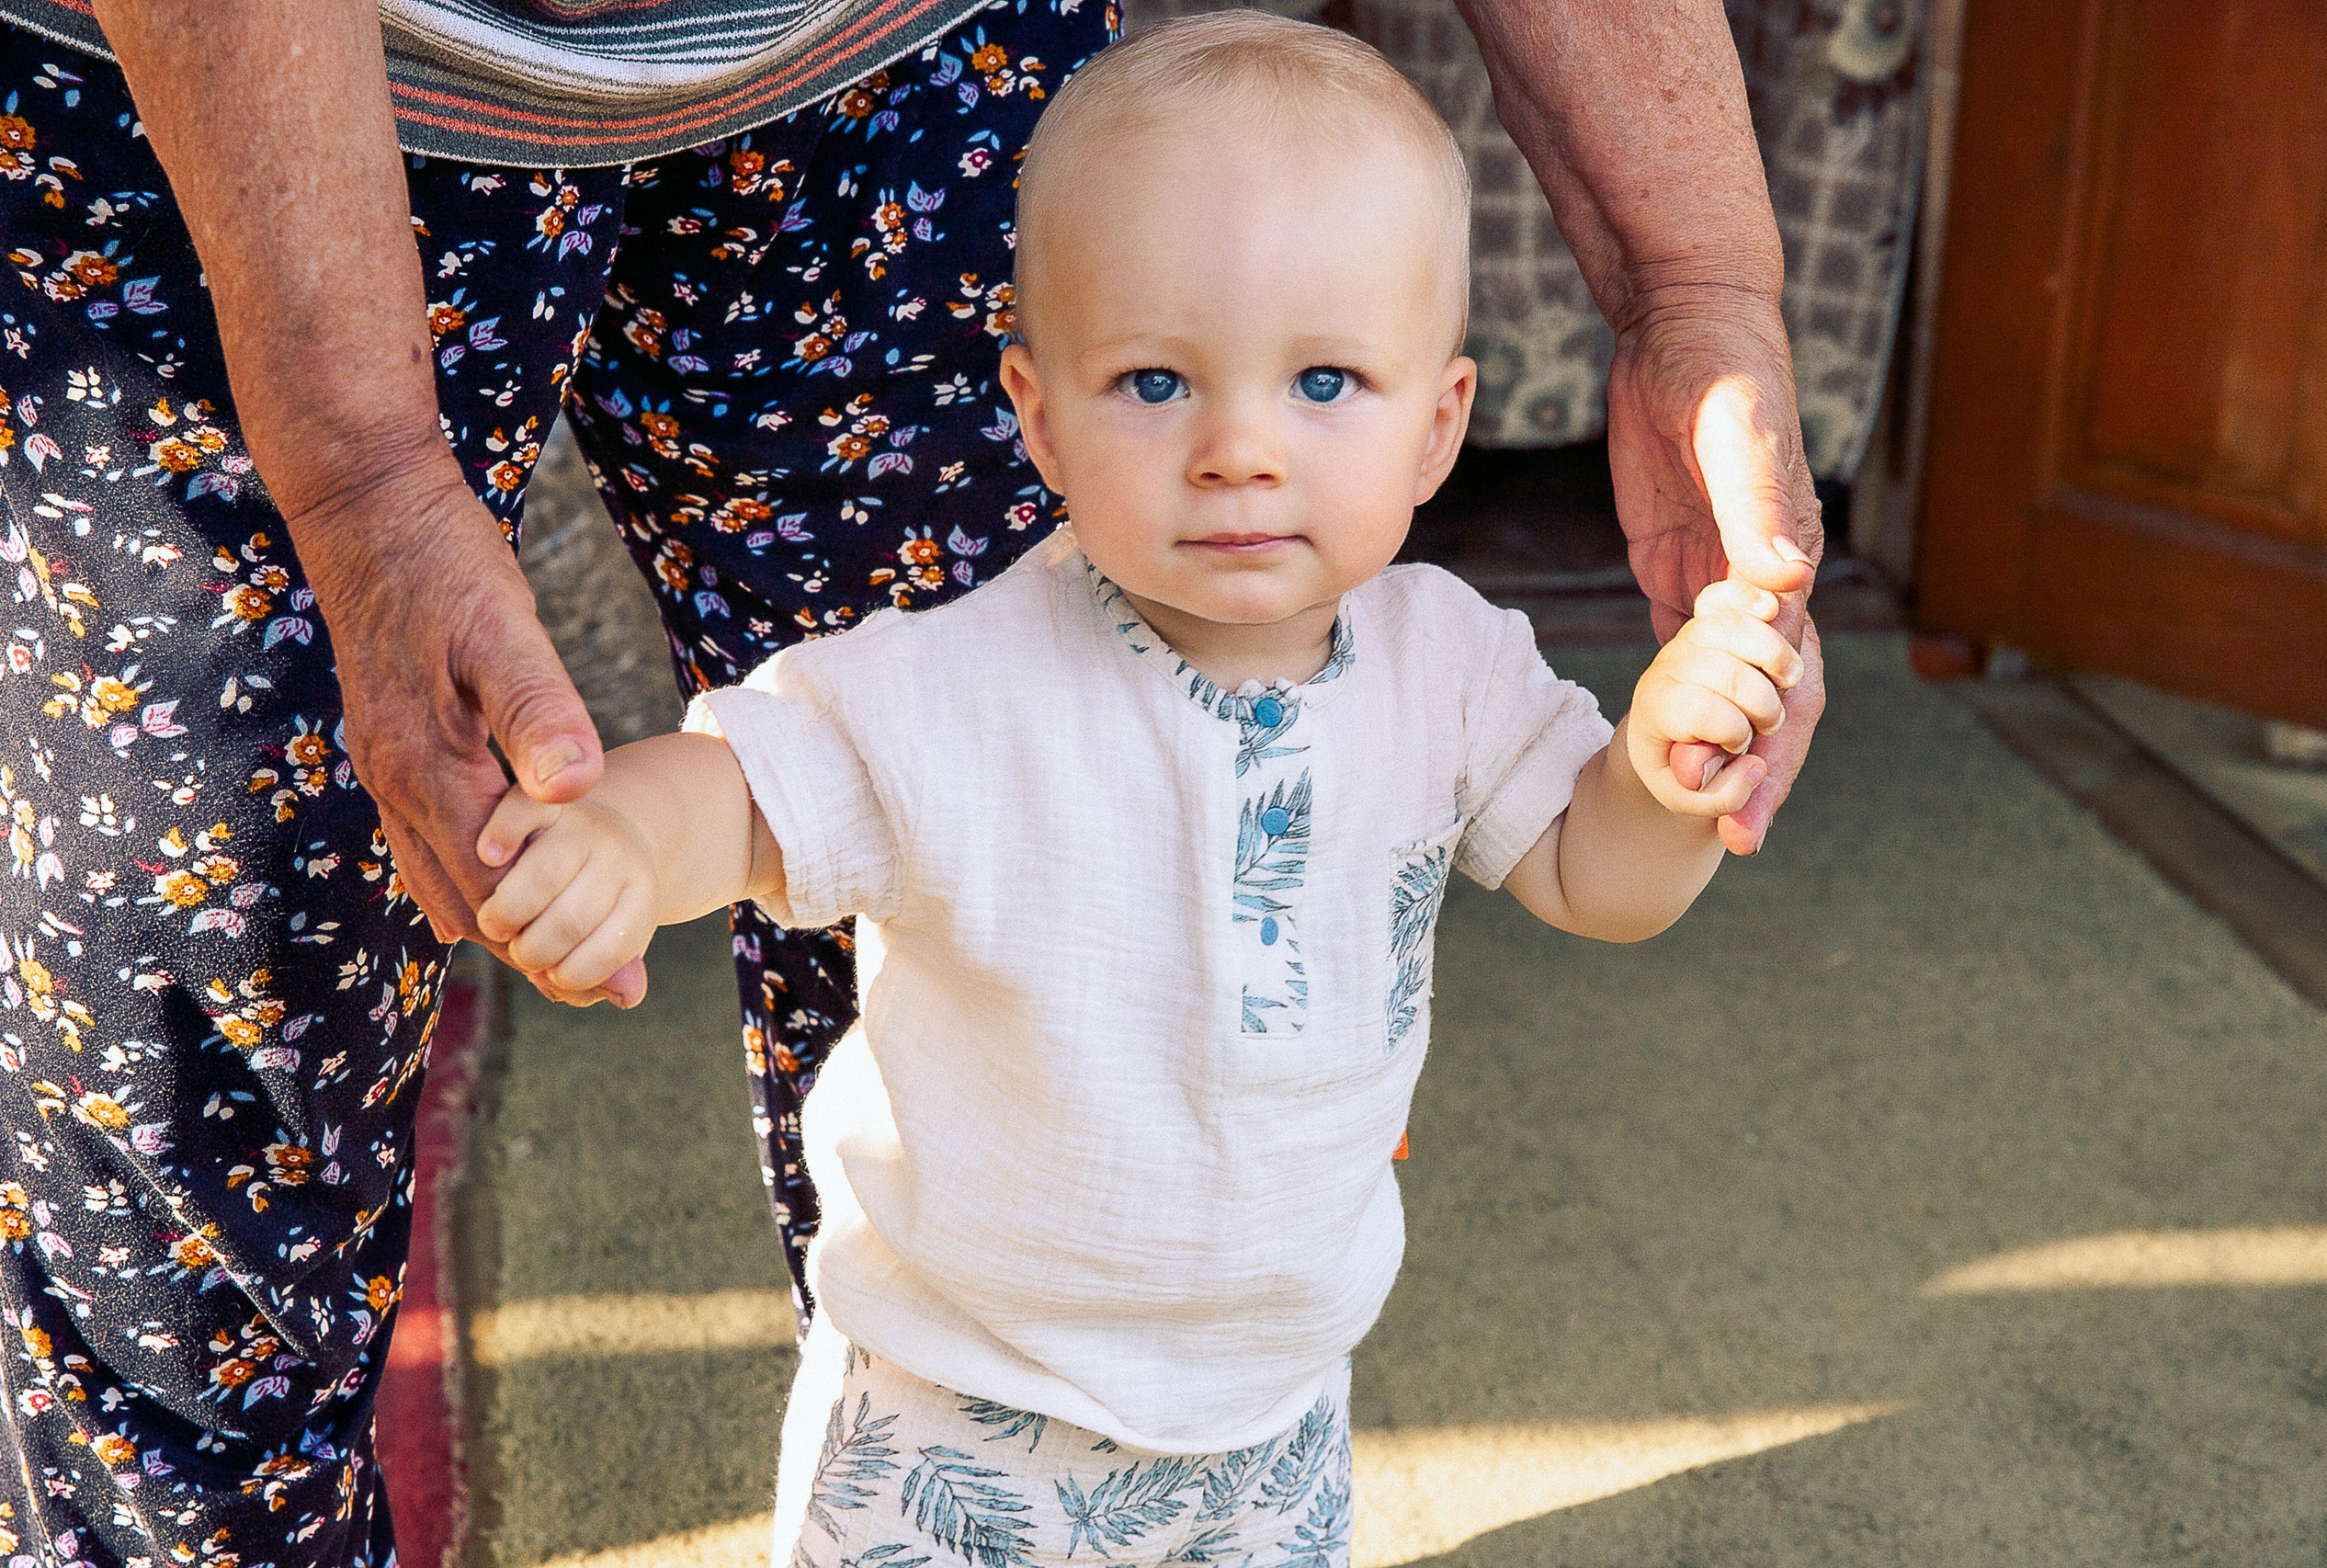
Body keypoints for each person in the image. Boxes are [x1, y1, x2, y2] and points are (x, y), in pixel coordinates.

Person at [0, 0, 1819, 1562]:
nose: (1240, 448)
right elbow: (747, 786)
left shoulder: (1447, 666)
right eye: (1157, 380)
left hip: (1271, 1419)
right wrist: (612, 843)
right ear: (1031, 410)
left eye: (1324, 381)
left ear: (1442, 420)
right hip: (959, 1426)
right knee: (212, 1003)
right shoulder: (955, 668)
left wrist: (1670, 765)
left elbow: (1597, 875)